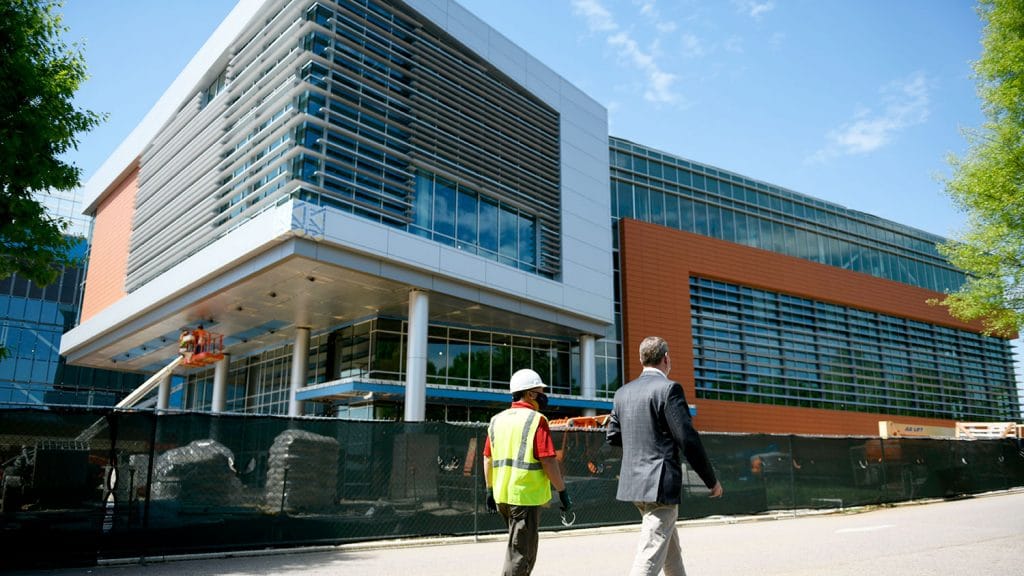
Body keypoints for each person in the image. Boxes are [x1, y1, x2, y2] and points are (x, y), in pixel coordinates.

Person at [606, 336, 723, 576]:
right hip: (660, 484)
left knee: (669, 550)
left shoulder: (622, 393)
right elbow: (688, 439)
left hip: (634, 485)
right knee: (650, 554)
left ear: (641, 360)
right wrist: (711, 480)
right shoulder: (669, 389)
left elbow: (613, 436)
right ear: (666, 359)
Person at [483, 368, 572, 576]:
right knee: (521, 555)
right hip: (525, 497)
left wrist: (489, 490)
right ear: (530, 394)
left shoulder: (497, 420)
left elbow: (487, 457)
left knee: (517, 549)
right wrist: (562, 491)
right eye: (540, 391)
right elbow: (548, 460)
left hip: (503, 497)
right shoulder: (536, 420)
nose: (543, 395)